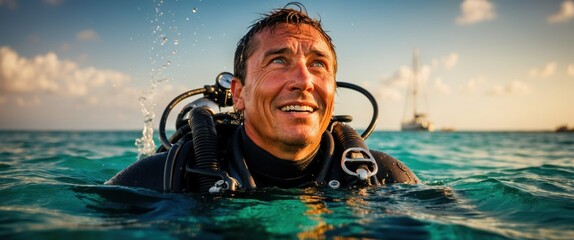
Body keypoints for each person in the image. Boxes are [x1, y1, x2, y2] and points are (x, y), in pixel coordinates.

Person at [106, 2, 419, 194]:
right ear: (239, 94)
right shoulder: (161, 178)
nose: (304, 81)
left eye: (318, 64)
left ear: (333, 92)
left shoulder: (385, 178)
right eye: (278, 61)